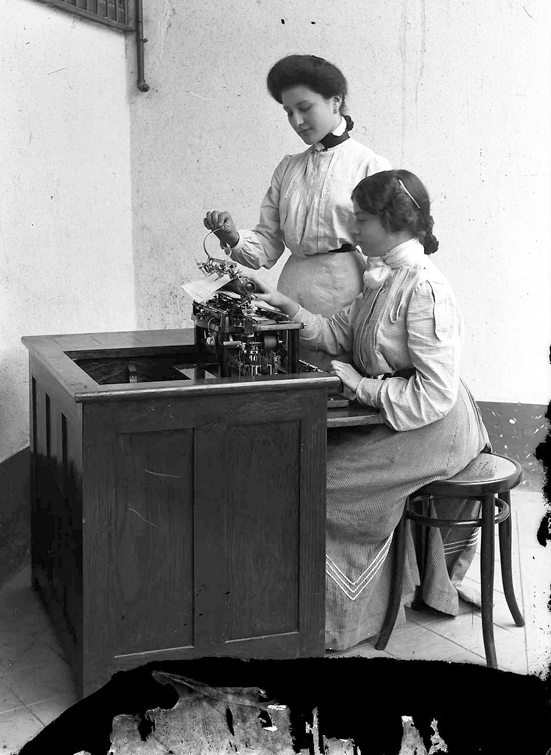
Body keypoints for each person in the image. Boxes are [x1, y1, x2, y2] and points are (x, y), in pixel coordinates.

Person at [251, 169, 491, 651]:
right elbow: (338, 334)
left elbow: (434, 394)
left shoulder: (424, 287)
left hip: (434, 425)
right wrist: (285, 306)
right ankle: (314, 608)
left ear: (393, 221)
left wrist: (361, 386)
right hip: (395, 414)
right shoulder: (381, 276)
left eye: (361, 219)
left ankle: (343, 619)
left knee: (322, 482)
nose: (353, 230)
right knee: (307, 466)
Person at [204, 54, 391, 368]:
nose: (297, 121)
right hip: (290, 291)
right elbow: (267, 247)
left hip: (344, 294)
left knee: (336, 381)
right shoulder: (289, 168)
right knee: (288, 373)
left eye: (305, 108)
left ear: (335, 102)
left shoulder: (369, 166)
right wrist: (234, 237)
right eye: (288, 112)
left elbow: (382, 258)